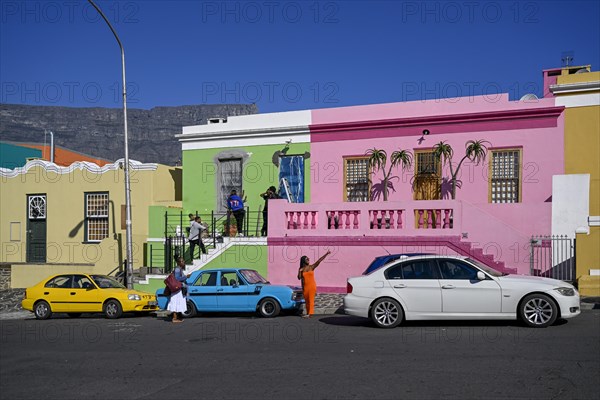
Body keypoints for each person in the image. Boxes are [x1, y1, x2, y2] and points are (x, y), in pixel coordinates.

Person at [297, 250, 331, 318]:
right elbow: (299, 278)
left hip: (312, 286)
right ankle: (308, 313)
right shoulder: (301, 269)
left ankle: (310, 314)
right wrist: (299, 271)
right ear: (303, 260)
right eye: (307, 259)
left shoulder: (311, 267)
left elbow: (319, 261)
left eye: (308, 258)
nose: (308, 259)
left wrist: (326, 254)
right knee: (307, 301)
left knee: (311, 300)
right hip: (305, 287)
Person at [168, 256, 190, 323]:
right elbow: (177, 279)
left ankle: (176, 317)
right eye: (182, 261)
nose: (184, 262)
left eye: (183, 261)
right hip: (176, 290)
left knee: (178, 302)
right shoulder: (177, 269)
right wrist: (186, 277)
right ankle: (174, 318)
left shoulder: (179, 269)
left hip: (178, 289)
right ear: (178, 263)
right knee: (175, 302)